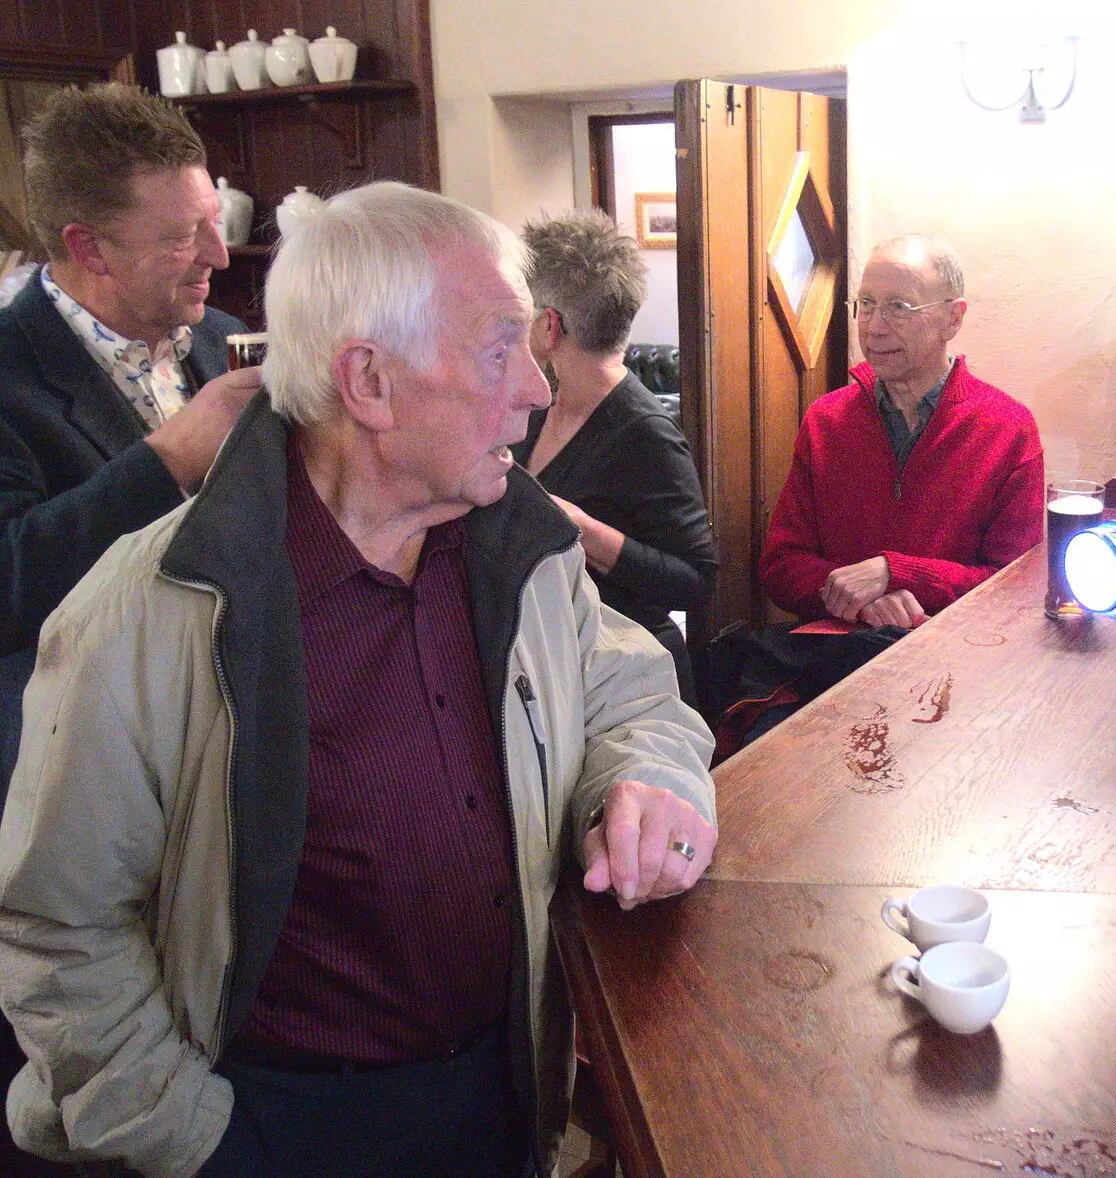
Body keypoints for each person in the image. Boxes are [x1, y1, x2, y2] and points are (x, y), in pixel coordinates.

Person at [0, 182, 717, 1177]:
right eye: (500, 346)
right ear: (369, 382)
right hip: (275, 1123)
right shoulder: (148, 612)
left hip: (505, 1085)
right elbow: (60, 924)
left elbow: (633, 693)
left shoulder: (522, 551)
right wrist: (193, 1137)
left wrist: (651, 778)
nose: (538, 391)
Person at [0, 83, 260, 780]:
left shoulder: (224, 339)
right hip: (78, 768)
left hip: (234, 743)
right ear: (88, 247)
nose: (221, 254)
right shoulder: (8, 372)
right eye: (183, 236)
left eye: (213, 220)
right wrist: (167, 460)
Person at [759, 234, 1043, 626]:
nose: (874, 327)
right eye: (867, 305)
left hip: (956, 657)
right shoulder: (826, 420)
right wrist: (859, 602)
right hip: (842, 652)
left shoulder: (1008, 428)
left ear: (953, 319)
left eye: (899, 307)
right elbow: (781, 565)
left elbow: (1014, 585)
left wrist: (895, 572)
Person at [519, 210, 716, 705]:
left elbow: (695, 581)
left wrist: (587, 533)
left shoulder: (644, 432)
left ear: (549, 326)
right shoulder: (534, 408)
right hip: (562, 672)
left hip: (634, 688)